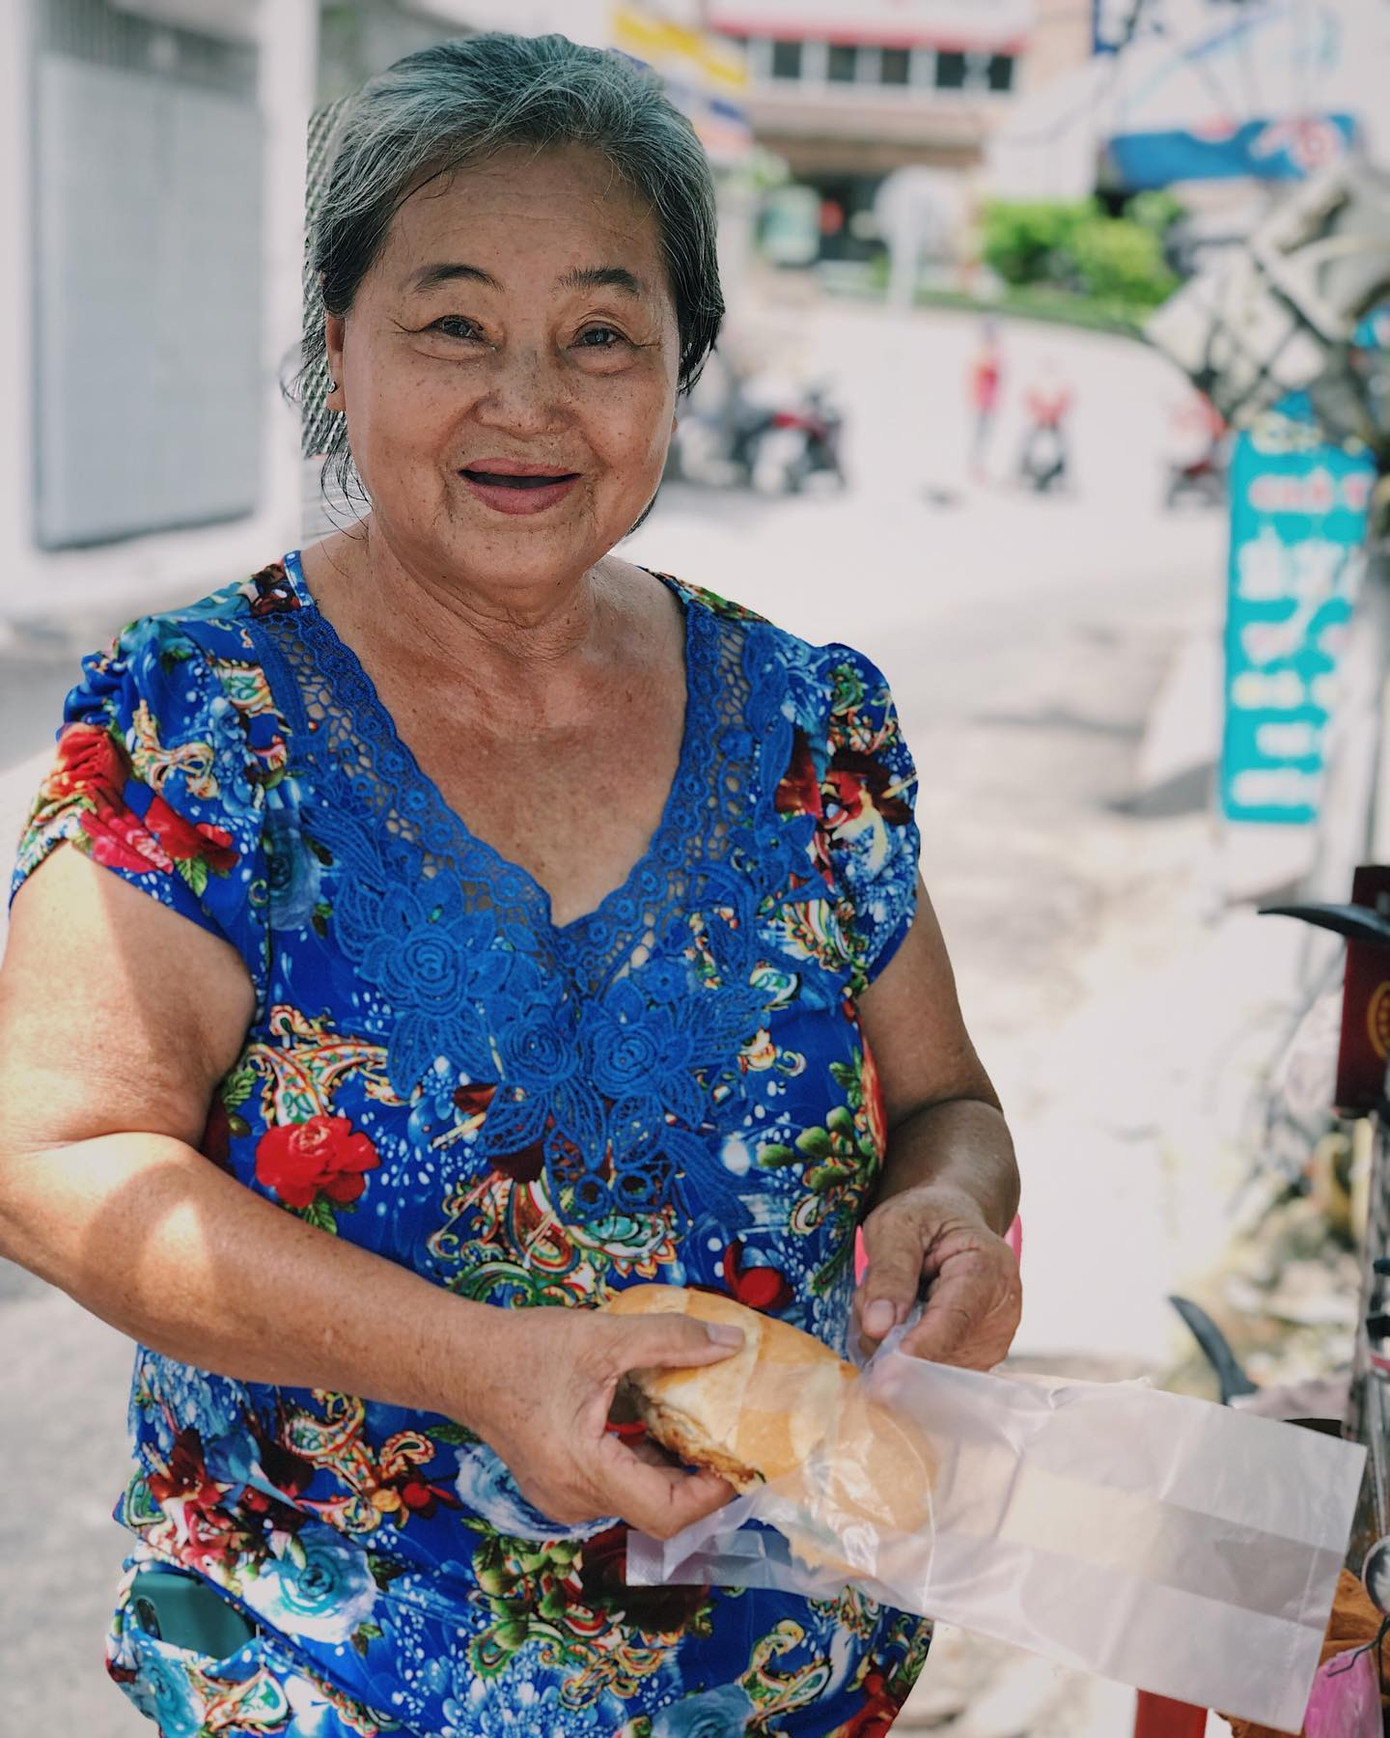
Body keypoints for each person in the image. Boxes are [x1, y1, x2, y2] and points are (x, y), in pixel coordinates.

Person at [0, 33, 1021, 1738]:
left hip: (778, 1674)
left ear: (682, 367)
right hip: (329, 1678)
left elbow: (946, 1103)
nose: (529, 400)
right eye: (453, 325)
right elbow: (49, 1158)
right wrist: (484, 1366)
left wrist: (955, 1212)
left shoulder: (808, 723)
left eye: (602, 334)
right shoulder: (205, 721)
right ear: (340, 347)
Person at [1018, 356, 1073, 493]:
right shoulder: (1038, 381)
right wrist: (1042, 414)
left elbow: (1064, 400)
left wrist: (1051, 414)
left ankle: (1062, 478)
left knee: (1061, 447)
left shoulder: (1059, 382)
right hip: (1040, 419)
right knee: (1028, 444)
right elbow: (1030, 398)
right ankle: (1020, 473)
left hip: (1053, 419)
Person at [966, 319, 1003, 481]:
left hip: (987, 400)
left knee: (982, 434)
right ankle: (975, 465)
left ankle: (977, 464)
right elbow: (987, 368)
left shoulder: (986, 352)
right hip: (983, 401)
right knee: (980, 434)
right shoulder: (984, 352)